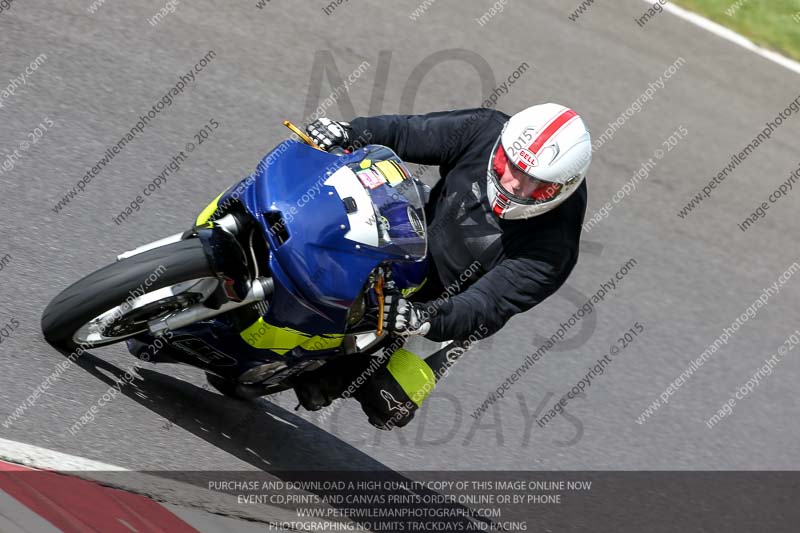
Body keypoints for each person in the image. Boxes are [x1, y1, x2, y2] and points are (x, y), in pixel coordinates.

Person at [294, 104, 592, 429]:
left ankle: (342, 369)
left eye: (532, 181)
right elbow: (406, 131)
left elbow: (486, 306)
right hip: (412, 239)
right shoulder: (485, 129)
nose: (511, 182)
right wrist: (349, 132)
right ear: (504, 145)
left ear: (559, 188)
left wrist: (423, 318)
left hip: (446, 308)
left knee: (390, 402)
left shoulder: (554, 248)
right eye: (509, 164)